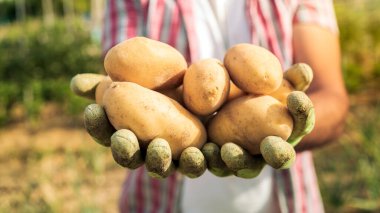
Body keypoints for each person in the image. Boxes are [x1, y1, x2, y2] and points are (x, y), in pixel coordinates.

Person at [101, 0, 349, 212]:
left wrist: (295, 126)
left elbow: (331, 96)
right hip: (157, 199)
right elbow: (121, 72)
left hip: (285, 201)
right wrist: (107, 100)